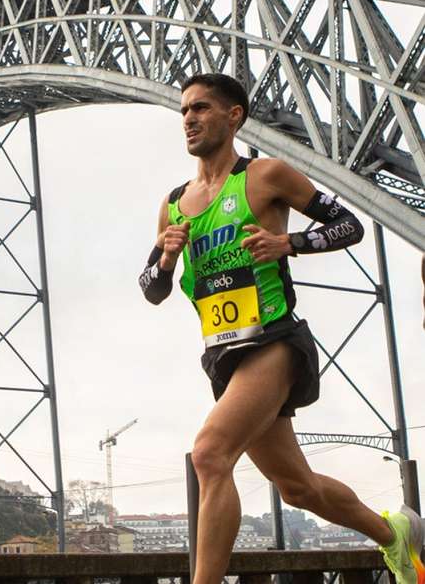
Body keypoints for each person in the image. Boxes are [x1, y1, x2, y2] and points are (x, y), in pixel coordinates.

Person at [138, 73, 424, 584]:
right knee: (299, 489)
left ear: (233, 116)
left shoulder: (265, 176)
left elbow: (347, 224)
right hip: (223, 357)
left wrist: (288, 244)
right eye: (184, 111)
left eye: (201, 108)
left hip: (273, 342)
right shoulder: (175, 204)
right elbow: (152, 289)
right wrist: (165, 257)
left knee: (209, 453)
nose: (189, 119)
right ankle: (396, 534)